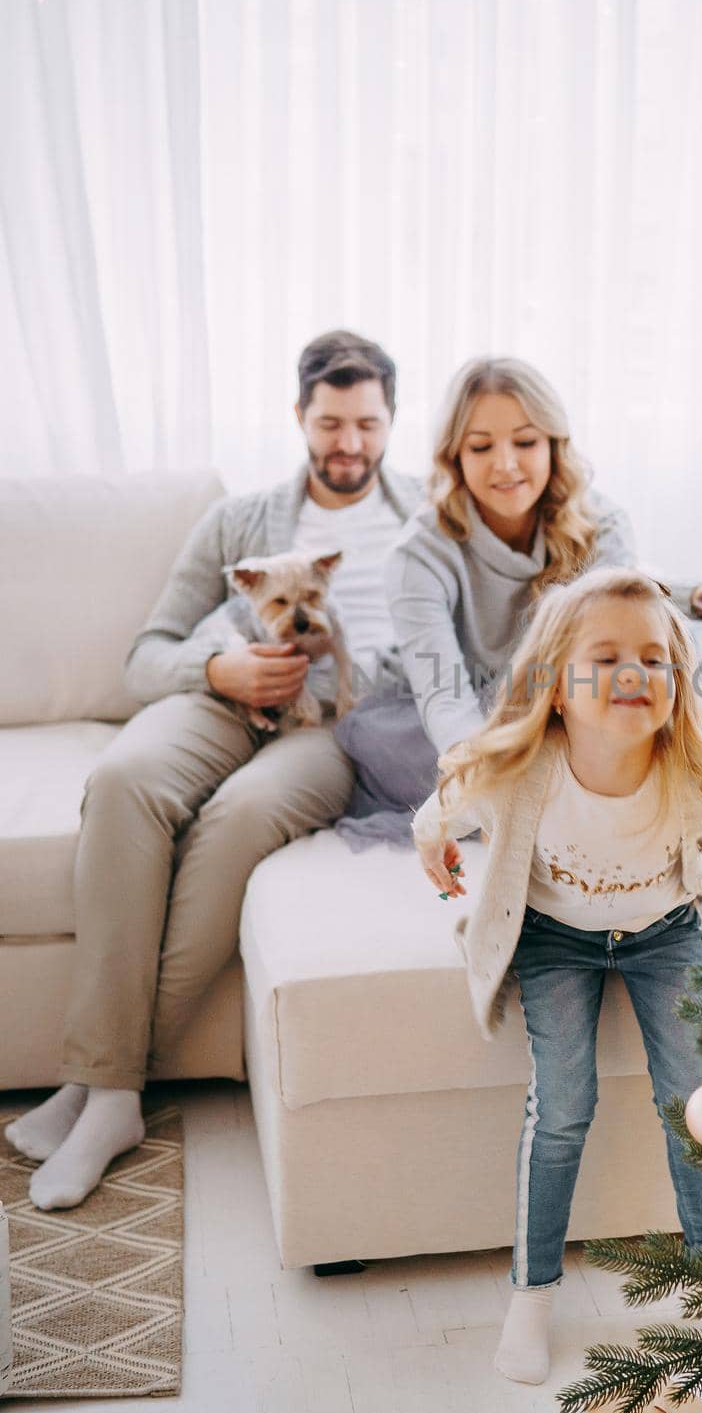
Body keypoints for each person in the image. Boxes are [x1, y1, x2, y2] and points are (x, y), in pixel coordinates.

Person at [6, 330, 421, 1210]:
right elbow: (143, 655)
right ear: (299, 416)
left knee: (236, 818)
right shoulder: (239, 520)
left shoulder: (429, 514)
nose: (349, 442)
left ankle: (99, 1085)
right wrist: (216, 670)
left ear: (391, 422)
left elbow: (551, 562)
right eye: (331, 422)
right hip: (222, 699)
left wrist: (692, 595)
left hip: (334, 724)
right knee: (121, 782)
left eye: (367, 423)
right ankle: (108, 1092)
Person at [412, 566, 702, 1385]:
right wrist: (432, 841)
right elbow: (445, 798)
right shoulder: (522, 769)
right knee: (561, 1107)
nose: (633, 673)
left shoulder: (699, 764)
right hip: (555, 942)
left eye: (655, 659)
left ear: (675, 682)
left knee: (697, 1103)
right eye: (604, 657)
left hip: (663, 937)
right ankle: (531, 1294)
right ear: (555, 687)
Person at [385, 356, 702, 764]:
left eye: (526, 442)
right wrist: (476, 778)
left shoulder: (602, 525)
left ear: (554, 445)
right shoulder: (418, 555)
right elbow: (445, 697)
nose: (505, 464)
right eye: (481, 446)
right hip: (462, 714)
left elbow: (625, 608)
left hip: (565, 704)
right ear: (455, 456)